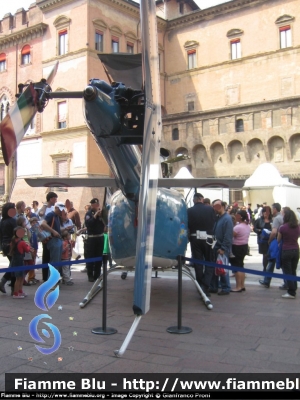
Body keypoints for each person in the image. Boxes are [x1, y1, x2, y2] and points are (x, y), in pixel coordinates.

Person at [187, 193, 216, 298]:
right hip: (208, 238)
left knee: (198, 263)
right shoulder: (210, 209)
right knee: (209, 261)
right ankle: (206, 285)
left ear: (194, 200)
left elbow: (188, 225)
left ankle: (200, 285)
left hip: (195, 238)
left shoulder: (189, 211)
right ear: (202, 199)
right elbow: (213, 222)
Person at [210, 199, 233, 295]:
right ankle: (214, 286)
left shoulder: (227, 219)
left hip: (221, 248)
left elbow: (228, 235)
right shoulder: (218, 218)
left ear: (223, 206)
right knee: (217, 268)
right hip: (216, 246)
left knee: (222, 268)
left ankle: (225, 287)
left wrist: (223, 248)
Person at [259, 203, 283, 288]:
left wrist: (270, 240)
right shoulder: (284, 217)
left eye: (272, 209)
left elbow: (274, 232)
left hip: (276, 241)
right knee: (284, 264)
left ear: (275, 209)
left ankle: (266, 281)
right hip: (284, 243)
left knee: (271, 261)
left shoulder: (277, 218)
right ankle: (288, 283)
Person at [277, 209, 300, 299]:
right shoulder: (298, 227)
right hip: (296, 249)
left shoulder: (283, 227)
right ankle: (294, 286)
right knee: (293, 270)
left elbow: (278, 239)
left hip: (286, 250)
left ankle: (291, 291)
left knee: (287, 271)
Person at [84, 198, 105, 282]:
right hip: (92, 238)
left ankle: (97, 274)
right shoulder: (89, 214)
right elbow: (89, 224)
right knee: (90, 256)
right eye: (94, 204)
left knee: (99, 256)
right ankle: (90, 275)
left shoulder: (101, 214)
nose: (96, 206)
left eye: (97, 204)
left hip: (100, 237)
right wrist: (95, 216)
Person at [41, 202, 66, 272]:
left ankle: (54, 279)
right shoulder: (51, 214)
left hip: (57, 239)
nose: (61, 211)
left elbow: (57, 228)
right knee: (54, 262)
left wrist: (65, 229)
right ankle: (52, 280)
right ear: (56, 208)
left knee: (57, 261)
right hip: (53, 240)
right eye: (60, 209)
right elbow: (43, 223)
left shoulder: (57, 216)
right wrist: (53, 231)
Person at [229, 210, 251, 292]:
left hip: (237, 247)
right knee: (241, 266)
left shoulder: (238, 227)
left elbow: (231, 235)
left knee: (237, 267)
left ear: (240, 216)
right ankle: (242, 285)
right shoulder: (247, 226)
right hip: (244, 246)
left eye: (237, 215)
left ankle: (238, 286)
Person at [9, 227, 34, 299]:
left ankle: (19, 291)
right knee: (19, 278)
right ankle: (16, 293)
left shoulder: (14, 240)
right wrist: (29, 247)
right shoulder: (22, 242)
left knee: (20, 277)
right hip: (19, 260)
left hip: (15, 260)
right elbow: (27, 250)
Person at [38, 192, 58, 281]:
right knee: (46, 256)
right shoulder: (44, 208)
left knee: (52, 257)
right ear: (51, 199)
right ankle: (45, 277)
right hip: (46, 236)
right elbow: (41, 213)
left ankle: (51, 276)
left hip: (53, 236)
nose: (56, 200)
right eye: (55, 198)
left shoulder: (54, 209)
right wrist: (45, 205)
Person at [0, 203, 17, 294]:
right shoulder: (12, 221)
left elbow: (1, 235)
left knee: (13, 264)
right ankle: (13, 288)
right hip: (12, 244)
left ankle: (4, 282)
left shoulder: (3, 221)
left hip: (5, 244)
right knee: (15, 266)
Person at [253, 206, 272, 271]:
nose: (266, 213)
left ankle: (269, 268)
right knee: (265, 255)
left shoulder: (272, 220)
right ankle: (265, 268)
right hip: (262, 240)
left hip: (271, 239)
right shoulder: (259, 220)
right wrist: (260, 231)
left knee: (271, 254)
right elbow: (254, 228)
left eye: (267, 212)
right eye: (265, 212)